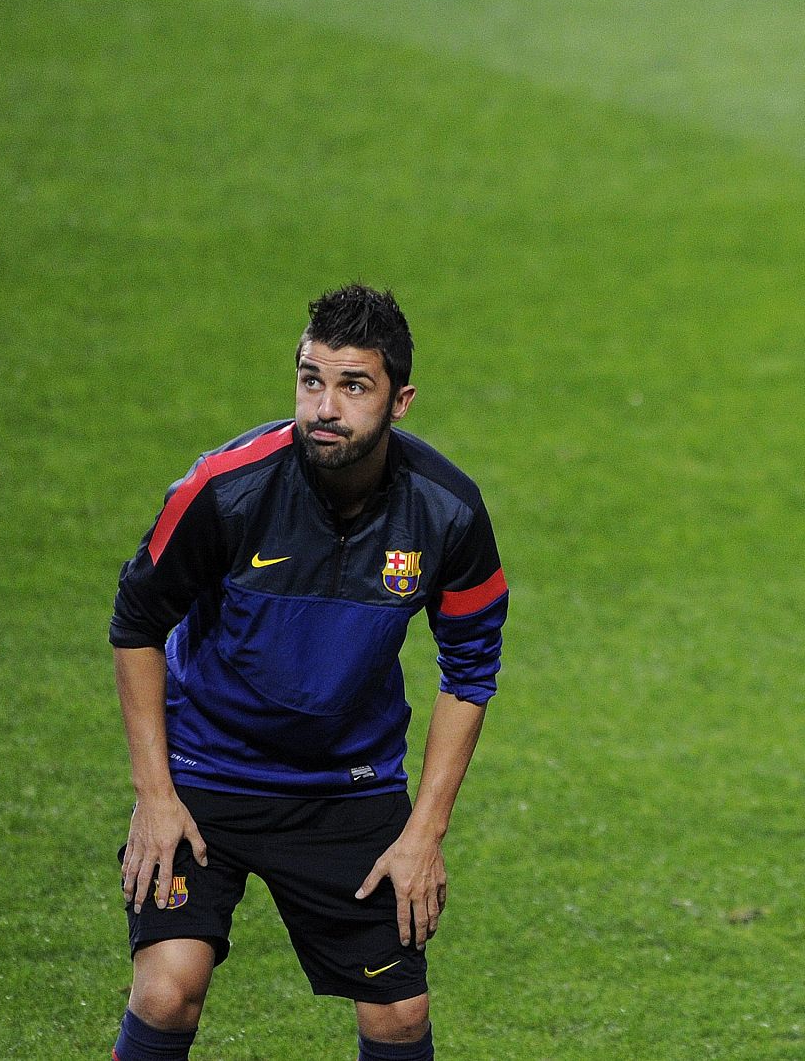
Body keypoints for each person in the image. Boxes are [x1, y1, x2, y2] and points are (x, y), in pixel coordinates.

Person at [108, 284, 508, 1061]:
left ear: (401, 401)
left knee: (399, 1016)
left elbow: (469, 668)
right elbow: (136, 625)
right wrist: (155, 796)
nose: (325, 405)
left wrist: (424, 831)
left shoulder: (448, 511)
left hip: (344, 787)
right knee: (166, 989)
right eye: (311, 379)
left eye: (353, 385)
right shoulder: (223, 488)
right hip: (207, 777)